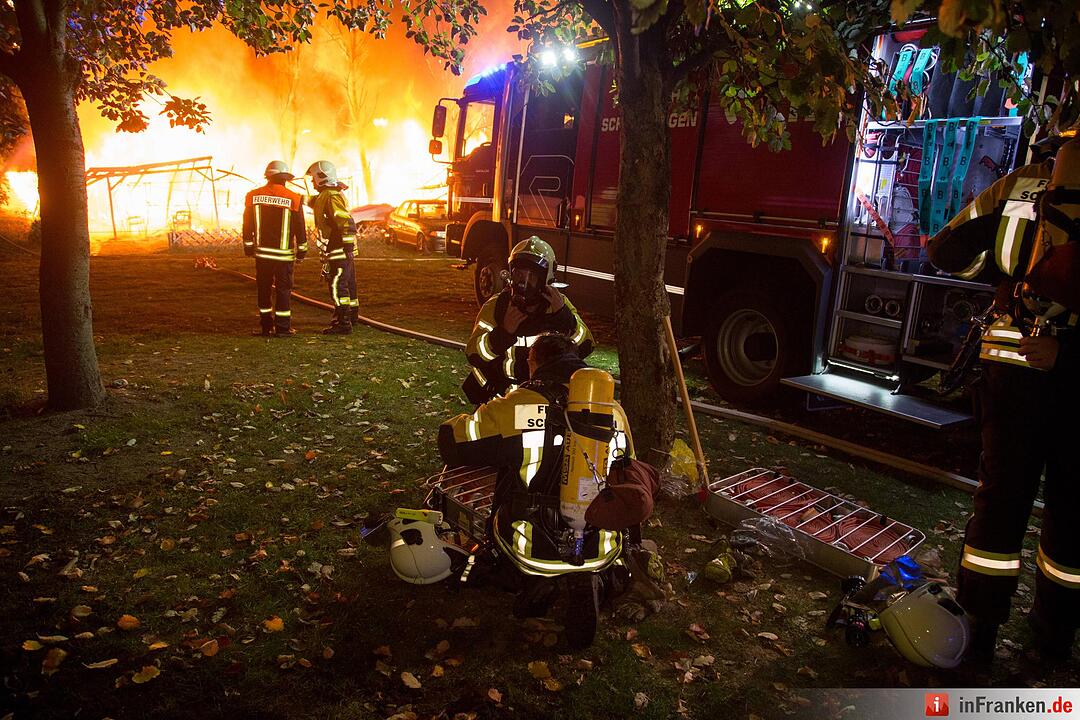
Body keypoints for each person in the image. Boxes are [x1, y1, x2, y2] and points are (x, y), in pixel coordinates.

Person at [928, 136, 1080, 664]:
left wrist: (1006, 283)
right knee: (1071, 510)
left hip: (1013, 376)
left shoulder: (1019, 185)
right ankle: (1053, 636)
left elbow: (944, 248)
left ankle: (980, 629)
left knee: (1001, 500)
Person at [439, 333, 632, 647]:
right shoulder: (614, 411)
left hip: (532, 543)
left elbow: (454, 442)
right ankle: (588, 578)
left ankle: (535, 579)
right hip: (603, 543)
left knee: (504, 511)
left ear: (534, 361)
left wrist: (467, 419)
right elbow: (627, 472)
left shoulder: (522, 405)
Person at [463, 237, 593, 404]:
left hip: (547, 400)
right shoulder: (497, 306)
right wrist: (503, 334)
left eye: (532, 276)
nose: (523, 283)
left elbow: (585, 346)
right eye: (518, 274)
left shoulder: (558, 306)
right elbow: (474, 355)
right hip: (503, 401)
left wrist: (563, 316)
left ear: (546, 279)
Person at [242, 160, 307, 337]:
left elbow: (247, 224)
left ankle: (265, 326)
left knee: (263, 288)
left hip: (262, 255)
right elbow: (300, 227)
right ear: (285, 178)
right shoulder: (293, 198)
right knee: (283, 290)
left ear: (268, 176)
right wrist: (302, 250)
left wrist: (248, 246)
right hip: (283, 256)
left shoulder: (253, 196)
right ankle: (283, 328)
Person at [305, 160, 358, 334]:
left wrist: (346, 247)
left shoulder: (332, 195)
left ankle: (343, 323)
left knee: (338, 284)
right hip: (339, 249)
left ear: (321, 177)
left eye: (313, 179)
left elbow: (345, 221)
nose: (312, 182)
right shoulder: (327, 195)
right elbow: (314, 202)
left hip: (339, 249)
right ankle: (351, 316)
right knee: (347, 283)